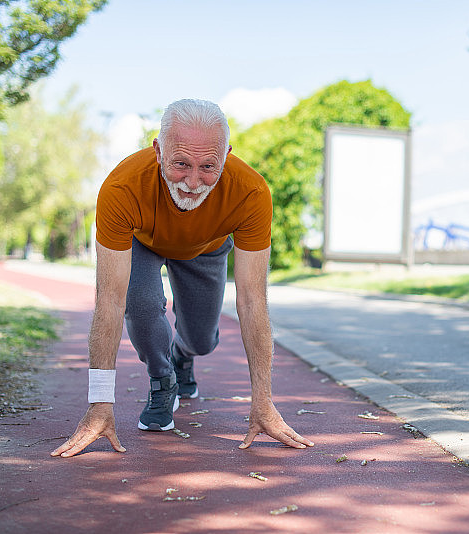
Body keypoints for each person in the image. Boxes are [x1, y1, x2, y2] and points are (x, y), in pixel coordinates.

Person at [51, 99, 313, 458]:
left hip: (206, 248)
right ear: (158, 151)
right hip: (142, 241)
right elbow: (109, 301)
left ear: (226, 156)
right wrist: (100, 403)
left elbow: (253, 301)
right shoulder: (121, 187)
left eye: (208, 167)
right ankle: (163, 377)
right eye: (180, 164)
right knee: (138, 303)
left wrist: (263, 403)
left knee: (204, 340)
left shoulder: (251, 192)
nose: (192, 181)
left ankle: (182, 355)